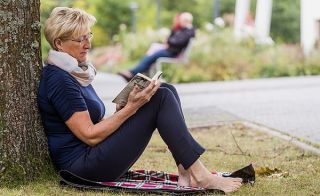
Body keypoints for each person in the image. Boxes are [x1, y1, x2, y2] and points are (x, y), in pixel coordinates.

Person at [37, 7, 242, 193]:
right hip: (83, 167)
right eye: (80, 39)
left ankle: (186, 171)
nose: (88, 44)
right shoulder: (59, 79)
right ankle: (201, 175)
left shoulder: (73, 71)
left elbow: (92, 124)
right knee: (160, 97)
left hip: (93, 154)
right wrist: (132, 108)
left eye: (88, 36)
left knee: (165, 89)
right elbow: (89, 136)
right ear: (59, 43)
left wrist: (121, 111)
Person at [118, 12, 196, 82]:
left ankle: (133, 73)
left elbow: (177, 42)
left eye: (182, 20)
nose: (180, 21)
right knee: (152, 54)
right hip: (170, 50)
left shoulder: (188, 31)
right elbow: (172, 38)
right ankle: (136, 73)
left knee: (153, 56)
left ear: (186, 20)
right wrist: (171, 37)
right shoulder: (183, 29)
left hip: (172, 53)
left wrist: (169, 41)